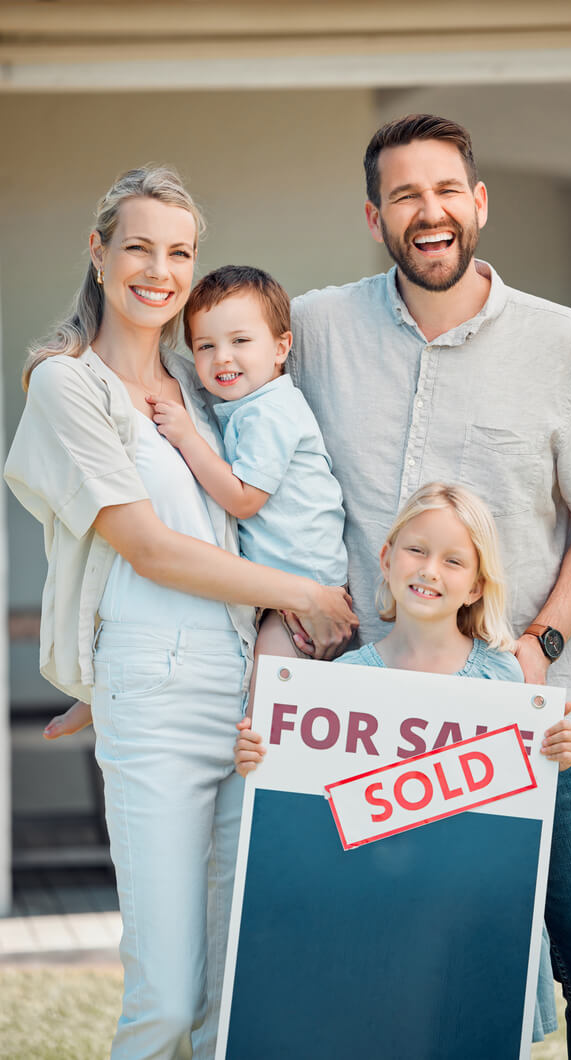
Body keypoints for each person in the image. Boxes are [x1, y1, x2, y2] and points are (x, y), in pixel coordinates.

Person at [286, 115, 571, 1056]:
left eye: (447, 190)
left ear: (478, 204)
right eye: (405, 195)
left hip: (525, 713)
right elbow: (210, 372)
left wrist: (540, 649)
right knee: (378, 962)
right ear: (376, 217)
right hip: (360, 714)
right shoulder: (318, 327)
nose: (430, 211)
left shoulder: (561, 342)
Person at [4, 165, 356, 1060]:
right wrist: (308, 595)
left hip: (247, 692)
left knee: (234, 989)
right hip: (157, 692)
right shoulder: (66, 385)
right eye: (138, 248)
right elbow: (147, 549)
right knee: (165, 994)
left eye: (180, 252)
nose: (159, 270)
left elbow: (236, 529)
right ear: (98, 252)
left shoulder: (195, 385)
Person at [236, 480, 571, 1044]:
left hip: (471, 927)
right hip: (373, 927)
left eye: (453, 560)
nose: (430, 570)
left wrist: (556, 749)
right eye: (417, 550)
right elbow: (305, 815)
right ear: (387, 560)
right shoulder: (337, 688)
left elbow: (517, 804)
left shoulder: (506, 681)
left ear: (475, 586)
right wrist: (258, 757)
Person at [46, 263, 348, 734]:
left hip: (300, 586)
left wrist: (188, 438)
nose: (222, 358)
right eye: (205, 346)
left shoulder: (272, 411)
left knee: (266, 695)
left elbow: (244, 499)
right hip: (265, 585)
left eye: (240, 341)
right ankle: (98, 698)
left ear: (281, 348)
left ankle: (258, 761)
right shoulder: (237, 407)